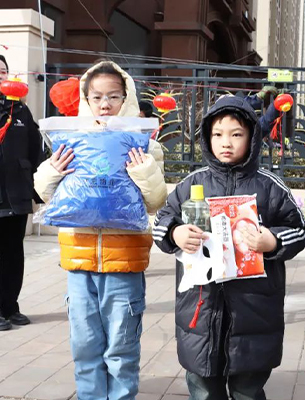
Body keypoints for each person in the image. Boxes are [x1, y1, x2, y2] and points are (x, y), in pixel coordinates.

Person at [152, 95, 305, 400]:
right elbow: (161, 222)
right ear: (206, 138)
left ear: (252, 136)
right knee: (203, 389)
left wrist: (272, 241)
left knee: (247, 389)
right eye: (218, 134)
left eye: (236, 134)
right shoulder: (190, 184)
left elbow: (300, 230)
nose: (226, 142)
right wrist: (175, 233)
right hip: (200, 311)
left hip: (254, 313)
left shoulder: (270, 186)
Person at [33, 60, 168, 399]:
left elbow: (155, 202)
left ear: (127, 98)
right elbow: (45, 194)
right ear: (86, 100)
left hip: (124, 263)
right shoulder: (71, 141)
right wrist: (52, 170)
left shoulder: (145, 145)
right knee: (84, 345)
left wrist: (144, 172)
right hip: (78, 263)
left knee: (121, 349)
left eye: (113, 96)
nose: (105, 104)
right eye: (97, 97)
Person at [0, 54, 43, 331]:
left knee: (14, 254)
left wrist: (39, 186)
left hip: (16, 193)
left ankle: (10, 307)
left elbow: (35, 148)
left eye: (3, 71)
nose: (0, 75)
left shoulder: (19, 110)